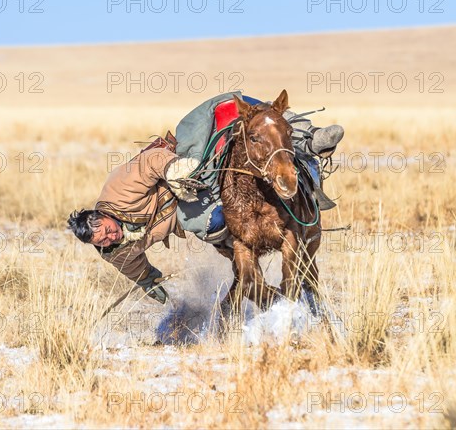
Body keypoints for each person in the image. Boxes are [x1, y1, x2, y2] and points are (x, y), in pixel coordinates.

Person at [68, 92, 344, 305]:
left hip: (182, 173)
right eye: (102, 242)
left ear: (102, 216)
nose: (109, 237)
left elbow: (149, 161)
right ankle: (250, 277)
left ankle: (309, 139)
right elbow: (134, 267)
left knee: (249, 129)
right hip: (188, 204)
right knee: (205, 222)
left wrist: (173, 171)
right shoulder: (114, 251)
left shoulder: (118, 190)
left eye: (106, 231)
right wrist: (150, 282)